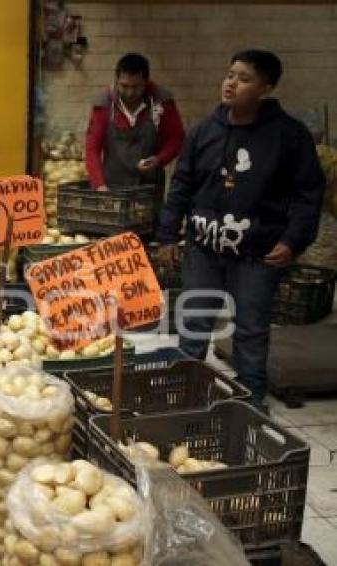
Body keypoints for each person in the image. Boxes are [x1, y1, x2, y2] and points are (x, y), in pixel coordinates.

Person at [156, 49, 325, 411]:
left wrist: (293, 240)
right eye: (230, 74)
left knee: (250, 328)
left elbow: (309, 193)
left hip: (258, 252)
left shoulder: (288, 136)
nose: (231, 83)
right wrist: (168, 234)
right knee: (193, 323)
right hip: (203, 247)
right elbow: (182, 185)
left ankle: (249, 401)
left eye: (244, 78)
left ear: (266, 87)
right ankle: (184, 390)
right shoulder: (204, 131)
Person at [84, 53, 185, 219]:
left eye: (136, 87)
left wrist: (159, 159)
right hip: (113, 189)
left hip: (148, 191)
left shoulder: (162, 101)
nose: (130, 92)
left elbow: (176, 138)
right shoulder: (103, 104)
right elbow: (92, 148)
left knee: (147, 234)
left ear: (146, 81)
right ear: (116, 80)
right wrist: (100, 186)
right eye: (124, 86)